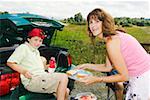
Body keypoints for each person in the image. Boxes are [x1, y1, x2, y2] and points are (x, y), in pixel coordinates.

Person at [76, 8, 150, 100]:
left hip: (143, 78)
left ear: (104, 22)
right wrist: (86, 65)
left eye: (97, 21)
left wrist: (97, 79)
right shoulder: (111, 38)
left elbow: (124, 76)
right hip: (142, 75)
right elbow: (108, 67)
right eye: (90, 22)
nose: (93, 25)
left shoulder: (111, 42)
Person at [7, 28, 69, 100]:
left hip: (41, 77)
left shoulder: (36, 51)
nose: (38, 43)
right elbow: (10, 62)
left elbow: (39, 68)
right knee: (63, 77)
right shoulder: (23, 48)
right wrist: (23, 71)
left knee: (66, 91)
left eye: (40, 41)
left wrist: (49, 66)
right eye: (35, 40)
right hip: (32, 80)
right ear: (29, 39)